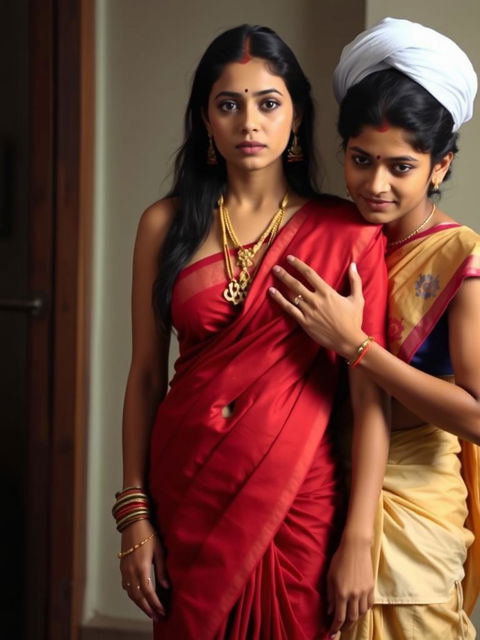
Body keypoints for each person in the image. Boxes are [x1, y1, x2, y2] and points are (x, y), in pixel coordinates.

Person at [115, 24, 390, 639]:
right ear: (205, 120)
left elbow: (370, 395)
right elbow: (144, 375)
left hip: (298, 499)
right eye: (228, 104)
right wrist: (134, 512)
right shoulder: (163, 225)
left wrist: (359, 535)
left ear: (296, 115)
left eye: (268, 103)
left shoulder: (346, 232)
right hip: (187, 486)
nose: (249, 122)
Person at [269, 17, 480, 639]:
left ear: (440, 166)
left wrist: (355, 346)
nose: (375, 185)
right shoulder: (335, 239)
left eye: (401, 167)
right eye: (360, 160)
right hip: (319, 490)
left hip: (410, 516)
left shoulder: (464, 261)